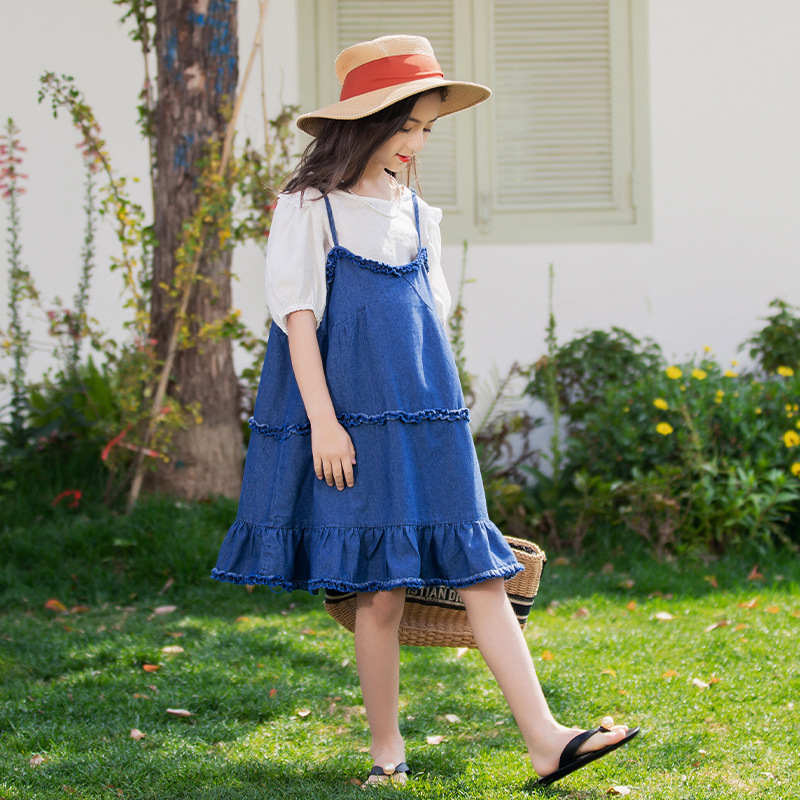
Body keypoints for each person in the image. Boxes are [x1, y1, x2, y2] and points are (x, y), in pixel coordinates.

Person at [212, 34, 638, 787]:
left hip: (429, 417)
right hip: (351, 418)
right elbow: (297, 319)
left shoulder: (414, 211)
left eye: (425, 129)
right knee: (378, 594)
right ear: (365, 123)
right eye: (404, 126)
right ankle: (387, 755)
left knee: (479, 568)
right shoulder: (310, 206)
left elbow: (426, 319)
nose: (415, 143)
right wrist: (325, 423)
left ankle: (546, 739)